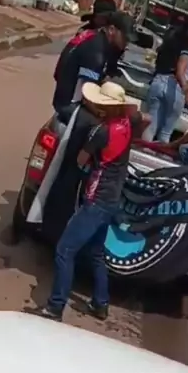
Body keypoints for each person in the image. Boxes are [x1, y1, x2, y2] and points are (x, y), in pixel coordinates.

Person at [40, 82, 148, 322]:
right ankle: (100, 303)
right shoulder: (127, 123)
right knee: (96, 252)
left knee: (65, 250)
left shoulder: (101, 132)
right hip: (113, 199)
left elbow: (81, 160)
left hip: (96, 198)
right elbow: (144, 118)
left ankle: (55, 306)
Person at [52, 11, 132, 115]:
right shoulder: (96, 51)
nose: (127, 43)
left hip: (67, 98)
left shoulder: (97, 37)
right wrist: (102, 113)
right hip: (70, 106)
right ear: (111, 30)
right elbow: (87, 95)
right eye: (125, 38)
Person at [143, 16, 188, 143]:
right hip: (174, 88)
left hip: (158, 82)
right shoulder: (187, 46)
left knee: (150, 127)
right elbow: (180, 72)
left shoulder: (170, 38)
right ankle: (157, 154)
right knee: (165, 133)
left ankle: (141, 150)